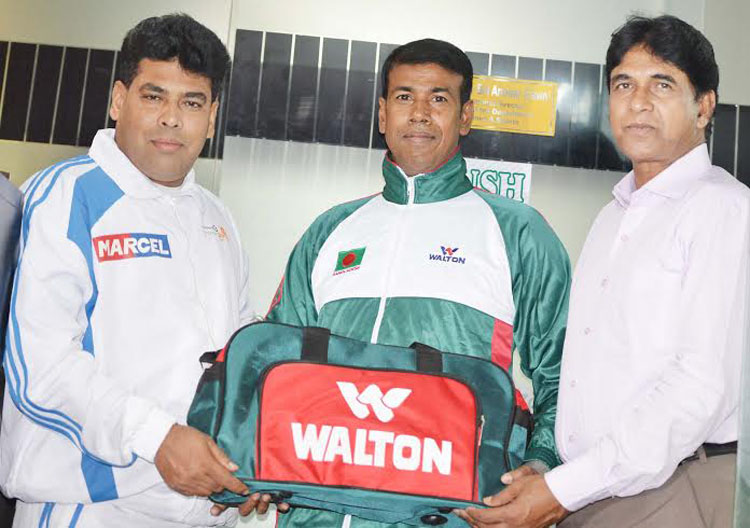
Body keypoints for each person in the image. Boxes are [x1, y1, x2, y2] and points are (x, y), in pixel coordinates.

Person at [266, 38, 571, 528]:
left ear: (465, 117)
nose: (421, 114)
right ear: (383, 114)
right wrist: (260, 457)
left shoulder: (517, 233)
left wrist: (543, 464)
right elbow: (275, 362)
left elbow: (565, 374)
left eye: (440, 99)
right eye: (405, 97)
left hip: (452, 515)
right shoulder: (331, 230)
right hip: (314, 513)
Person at [461, 15, 749, 528]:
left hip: (676, 488)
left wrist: (564, 489)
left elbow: (699, 388)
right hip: (600, 491)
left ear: (704, 106)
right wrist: (558, 477)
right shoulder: (615, 213)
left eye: (662, 83)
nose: (638, 102)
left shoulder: (723, 210)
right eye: (623, 84)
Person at [0, 14, 271, 527]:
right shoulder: (65, 195)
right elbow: (40, 366)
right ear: (119, 100)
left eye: (191, 102)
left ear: (211, 118)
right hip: (90, 510)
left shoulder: (218, 219)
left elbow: (239, 361)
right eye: (153, 96)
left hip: (207, 512)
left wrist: (254, 463)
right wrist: (157, 437)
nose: (171, 118)